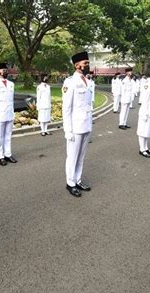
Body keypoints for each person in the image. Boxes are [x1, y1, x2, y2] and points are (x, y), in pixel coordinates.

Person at [62, 51, 93, 198]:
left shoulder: (88, 81)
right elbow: (66, 108)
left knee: (81, 156)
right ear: (77, 65)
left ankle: (78, 180)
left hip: (86, 125)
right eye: (85, 63)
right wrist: (68, 130)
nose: (88, 65)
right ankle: (70, 183)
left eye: (88, 63)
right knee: (72, 156)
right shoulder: (70, 82)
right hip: (75, 127)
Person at [0, 63, 17, 166]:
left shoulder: (11, 84)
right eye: (3, 70)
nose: (5, 72)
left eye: (6, 70)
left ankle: (8, 154)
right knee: (0, 136)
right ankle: (0, 156)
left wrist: (13, 113)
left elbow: (11, 101)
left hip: (9, 113)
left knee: (8, 135)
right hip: (0, 114)